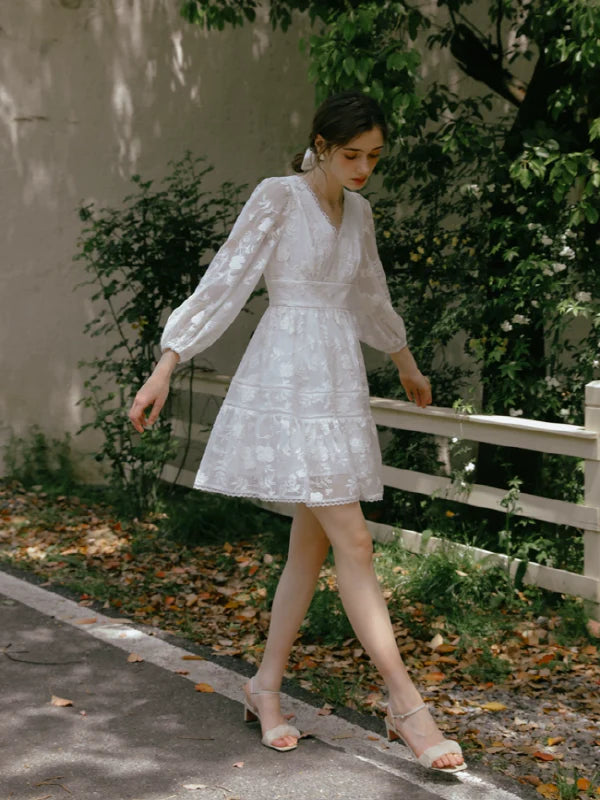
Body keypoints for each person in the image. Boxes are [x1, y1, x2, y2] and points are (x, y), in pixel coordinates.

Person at [128, 91, 466, 774]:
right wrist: (167, 363)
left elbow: (370, 293)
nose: (364, 168)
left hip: (337, 382)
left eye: (373, 157)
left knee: (309, 553)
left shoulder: (360, 211)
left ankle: (265, 687)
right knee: (356, 541)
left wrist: (404, 362)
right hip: (289, 380)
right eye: (351, 155)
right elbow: (226, 278)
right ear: (319, 144)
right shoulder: (278, 196)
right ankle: (407, 705)